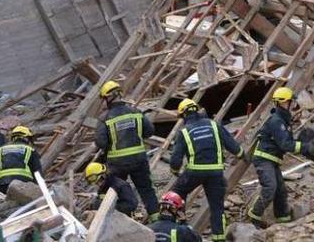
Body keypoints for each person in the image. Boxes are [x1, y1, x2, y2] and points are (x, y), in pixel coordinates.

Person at [170, 99, 246, 242]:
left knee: (177, 194)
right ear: (197, 110)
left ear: (184, 115)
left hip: (194, 172)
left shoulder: (184, 132)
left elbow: (176, 158)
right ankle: (219, 238)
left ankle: (182, 226)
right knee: (217, 207)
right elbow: (231, 144)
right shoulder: (214, 125)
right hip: (215, 172)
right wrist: (242, 154)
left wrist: (175, 170)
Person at [247, 87, 314, 228]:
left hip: (272, 160)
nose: (293, 105)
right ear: (284, 103)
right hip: (264, 159)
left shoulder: (283, 120)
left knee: (281, 191)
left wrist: (303, 144)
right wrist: (306, 147)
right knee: (270, 187)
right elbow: (286, 144)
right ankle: (254, 215)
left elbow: (286, 141)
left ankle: (283, 219)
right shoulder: (277, 121)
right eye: (291, 102)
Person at [94, 81, 159, 220]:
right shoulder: (135, 112)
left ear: (108, 98)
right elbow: (149, 131)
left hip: (117, 163)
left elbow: (100, 142)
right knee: (147, 190)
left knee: (115, 191)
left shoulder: (105, 118)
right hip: (139, 160)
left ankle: (121, 219)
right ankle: (157, 220)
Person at [0, 126, 43, 193]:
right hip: (23, 184)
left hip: (2, 185)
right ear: (26, 138)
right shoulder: (30, 150)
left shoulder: (0, 150)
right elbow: (37, 173)